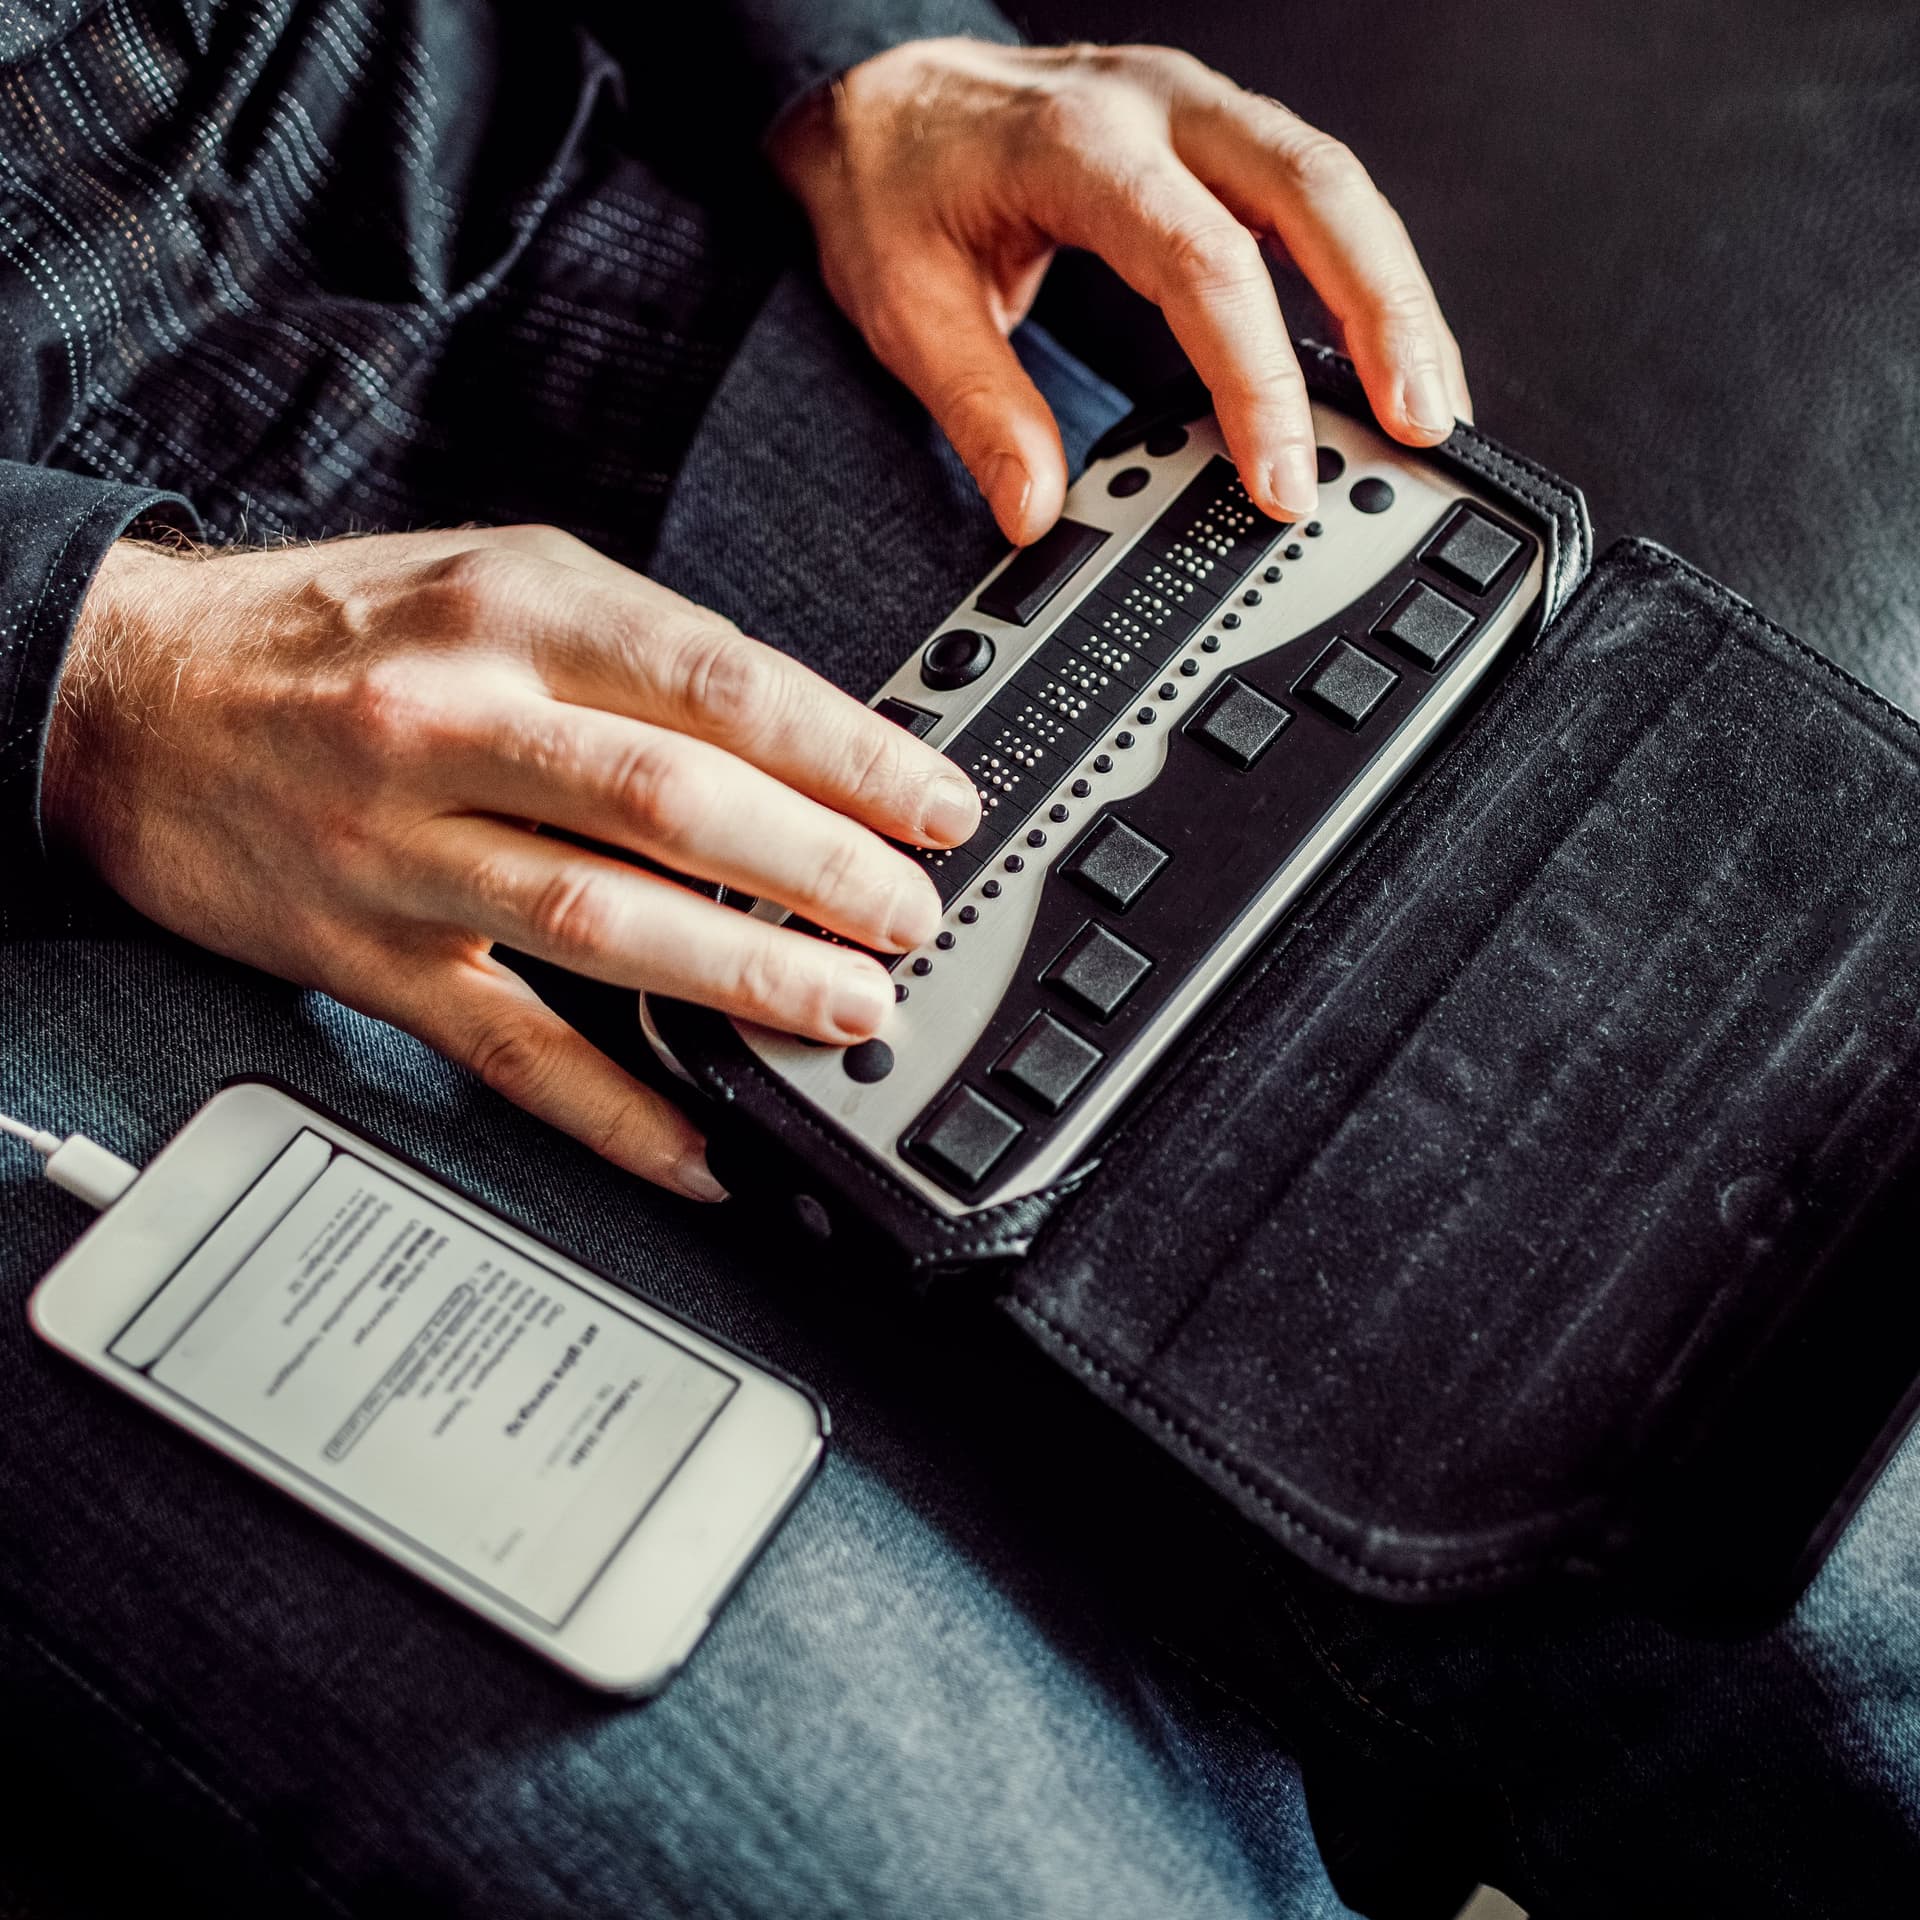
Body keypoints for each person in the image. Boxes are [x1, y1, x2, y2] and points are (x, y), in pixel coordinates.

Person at [0, 5, 1914, 1916]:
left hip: (580, 255)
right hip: (58, 864)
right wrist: (78, 666)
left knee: (1794, 1532)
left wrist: (870, 50)